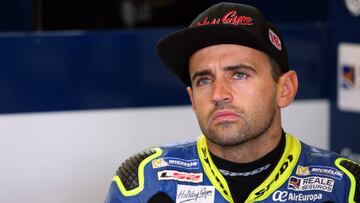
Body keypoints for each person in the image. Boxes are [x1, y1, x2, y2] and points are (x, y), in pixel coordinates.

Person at [105, 2, 360, 203]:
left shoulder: (345, 185)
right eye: (204, 80)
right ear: (192, 98)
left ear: (285, 88)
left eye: (239, 75)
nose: (218, 94)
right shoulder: (142, 181)